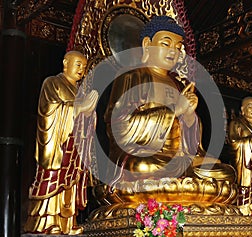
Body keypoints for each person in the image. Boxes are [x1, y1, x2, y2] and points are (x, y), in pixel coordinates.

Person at [103, 16, 235, 197]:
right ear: (147, 44)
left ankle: (179, 182)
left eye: (178, 47)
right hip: (146, 157)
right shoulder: (132, 76)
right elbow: (118, 126)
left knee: (224, 171)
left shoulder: (178, 84)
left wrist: (189, 117)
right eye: (166, 44)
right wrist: (174, 110)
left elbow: (191, 143)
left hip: (180, 159)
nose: (174, 51)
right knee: (140, 167)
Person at [24, 50, 99, 234]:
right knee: (53, 180)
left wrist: (90, 113)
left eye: (84, 66)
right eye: (77, 64)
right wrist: (79, 108)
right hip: (57, 146)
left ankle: (67, 223)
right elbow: (49, 111)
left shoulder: (80, 91)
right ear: (66, 63)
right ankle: (47, 223)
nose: (81, 69)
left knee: (71, 183)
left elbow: (84, 120)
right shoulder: (52, 83)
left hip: (74, 148)